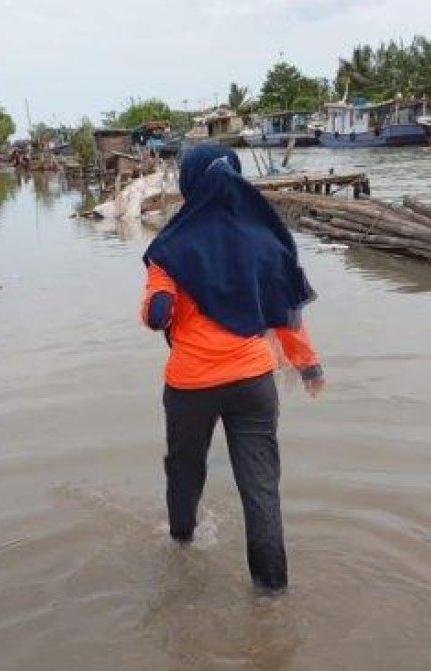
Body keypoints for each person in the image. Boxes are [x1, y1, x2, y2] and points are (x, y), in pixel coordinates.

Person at [139, 142, 324, 592]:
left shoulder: (172, 245)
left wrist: (161, 304)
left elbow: (154, 315)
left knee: (185, 469)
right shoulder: (263, 239)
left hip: (190, 388)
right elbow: (285, 311)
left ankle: (180, 543)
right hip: (253, 383)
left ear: (190, 182)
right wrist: (308, 365)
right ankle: (272, 589)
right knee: (260, 485)